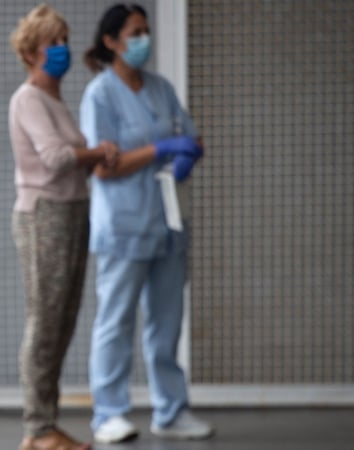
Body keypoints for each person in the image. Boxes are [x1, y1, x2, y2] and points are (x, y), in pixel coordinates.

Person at [79, 3, 213, 443]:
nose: (144, 40)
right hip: (124, 225)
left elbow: (189, 135)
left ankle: (171, 411)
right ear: (112, 42)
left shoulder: (161, 87)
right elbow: (102, 165)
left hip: (168, 222)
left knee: (167, 323)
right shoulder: (100, 94)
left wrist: (187, 153)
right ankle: (109, 414)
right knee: (115, 322)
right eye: (135, 33)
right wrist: (159, 150)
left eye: (146, 31)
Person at [8, 4, 119, 450]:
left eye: (64, 40)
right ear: (32, 51)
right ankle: (38, 429)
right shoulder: (28, 98)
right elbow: (54, 159)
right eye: (52, 42)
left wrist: (95, 156)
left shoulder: (53, 99)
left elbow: (69, 159)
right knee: (45, 321)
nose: (61, 49)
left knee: (63, 320)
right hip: (45, 216)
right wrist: (98, 152)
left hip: (71, 212)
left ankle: (45, 425)